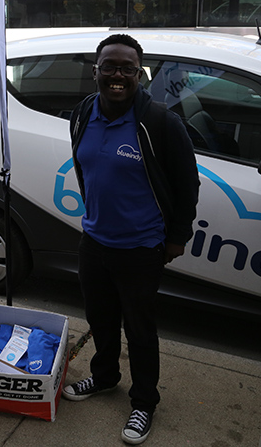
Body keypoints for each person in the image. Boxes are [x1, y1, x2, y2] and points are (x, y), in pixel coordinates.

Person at [65, 33, 200, 445]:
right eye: (110, 66)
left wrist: (177, 237)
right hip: (95, 243)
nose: (118, 75)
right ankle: (105, 377)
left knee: (140, 331)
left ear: (139, 75)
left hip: (141, 248)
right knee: (101, 321)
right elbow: (86, 170)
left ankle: (144, 402)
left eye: (127, 68)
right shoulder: (84, 113)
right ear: (96, 72)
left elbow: (186, 183)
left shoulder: (159, 123)